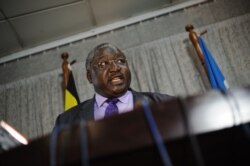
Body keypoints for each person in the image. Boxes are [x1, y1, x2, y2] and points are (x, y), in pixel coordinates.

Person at [54, 43, 173, 127]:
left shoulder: (164, 103)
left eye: (120, 61)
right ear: (89, 76)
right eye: (103, 64)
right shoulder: (66, 121)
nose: (115, 68)